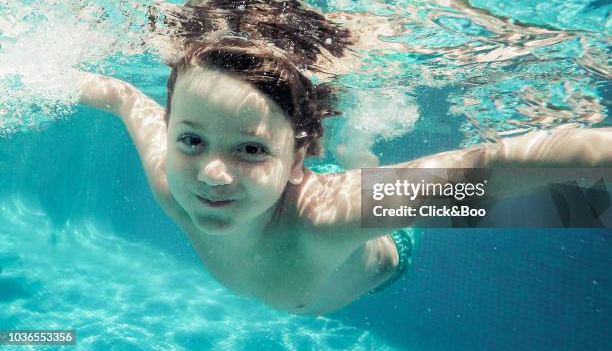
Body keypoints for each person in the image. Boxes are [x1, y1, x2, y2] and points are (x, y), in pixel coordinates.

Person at [76, 33, 611, 316]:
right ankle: (355, 153)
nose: (212, 174)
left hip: (385, 245)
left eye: (250, 148)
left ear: (296, 158)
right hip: (292, 195)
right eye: (191, 140)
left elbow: (491, 168)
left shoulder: (327, 219)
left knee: (470, 202)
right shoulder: (172, 178)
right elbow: (125, 98)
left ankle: (360, 160)